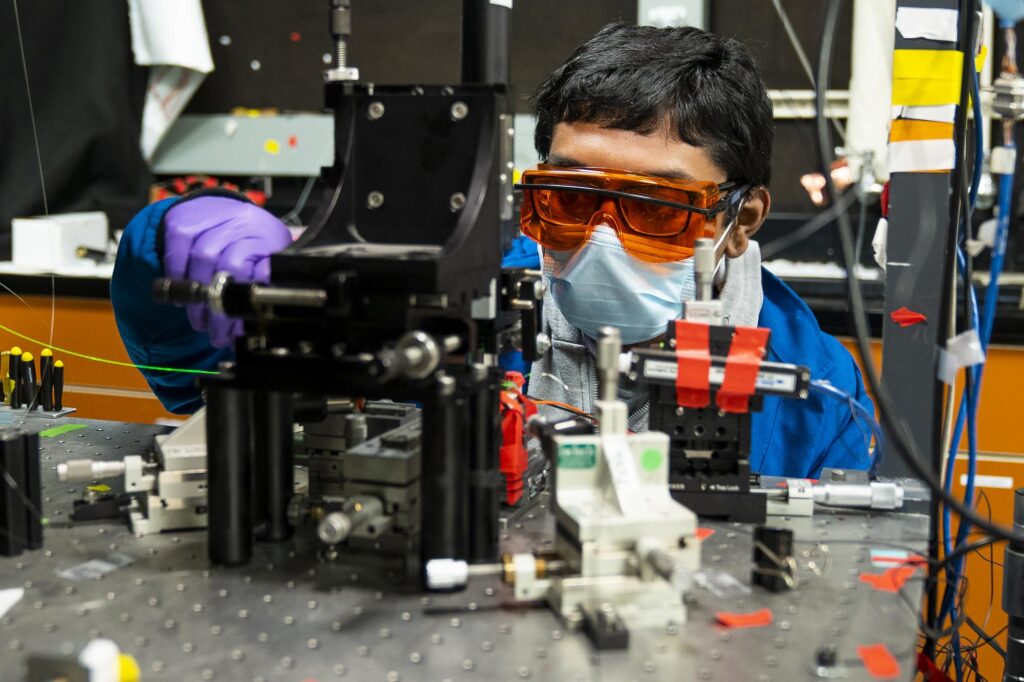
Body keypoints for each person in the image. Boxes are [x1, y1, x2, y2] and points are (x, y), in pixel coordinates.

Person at [112, 22, 873, 479]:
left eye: (654, 208)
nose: (602, 239)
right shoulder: (461, 305)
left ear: (741, 219)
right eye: (570, 198)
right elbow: (191, 378)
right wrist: (165, 247)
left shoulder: (817, 401)